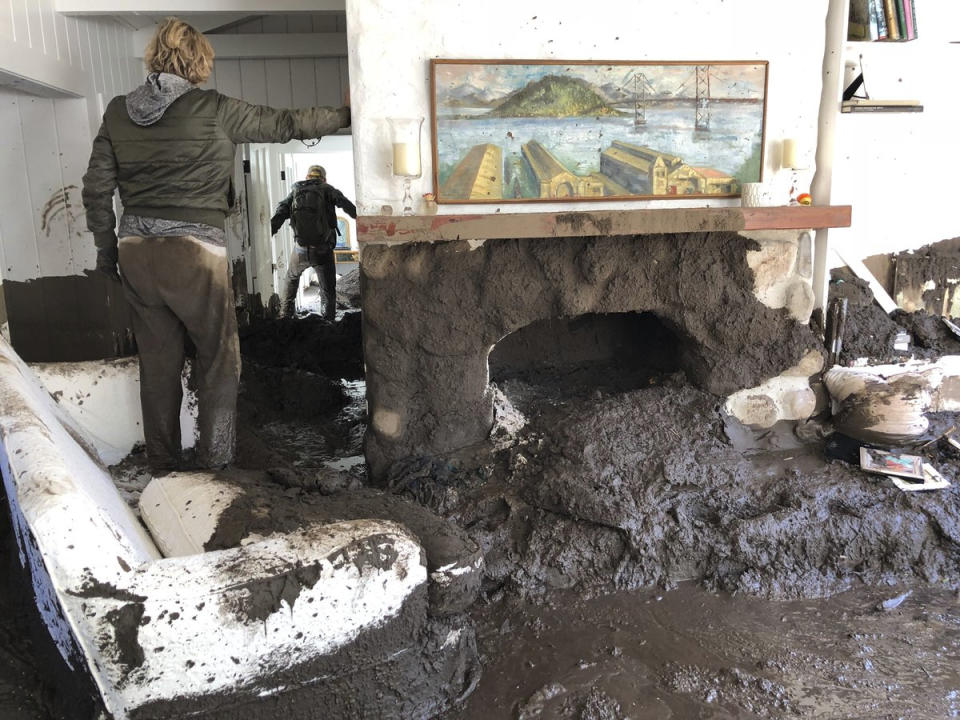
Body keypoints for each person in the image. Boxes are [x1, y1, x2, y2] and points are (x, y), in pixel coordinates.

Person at [81, 17, 351, 474]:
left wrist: (108, 254)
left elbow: (95, 189)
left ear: (153, 58)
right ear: (200, 62)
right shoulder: (213, 108)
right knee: (219, 359)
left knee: (158, 363)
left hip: (137, 252)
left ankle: (163, 467)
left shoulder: (116, 112)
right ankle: (215, 465)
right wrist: (344, 115)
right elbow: (284, 123)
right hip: (195, 252)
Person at [271, 165, 357, 320]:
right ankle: (328, 320)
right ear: (323, 178)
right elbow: (345, 204)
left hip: (301, 249)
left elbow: (281, 211)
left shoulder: (296, 191)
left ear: (307, 176)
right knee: (328, 289)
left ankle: (285, 315)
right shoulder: (328, 189)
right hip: (322, 249)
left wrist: (271, 230)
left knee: (291, 278)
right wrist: (360, 217)